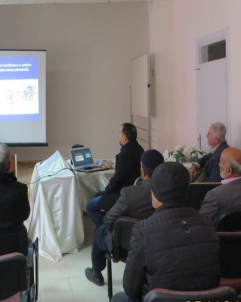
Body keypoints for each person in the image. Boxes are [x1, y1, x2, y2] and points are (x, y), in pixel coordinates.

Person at [113, 162, 220, 302]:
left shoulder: (142, 230)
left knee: (118, 298)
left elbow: (131, 289)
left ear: (154, 195)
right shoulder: (208, 223)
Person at [85, 149, 164, 286]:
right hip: (160, 242)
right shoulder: (171, 191)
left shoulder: (130, 193)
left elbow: (108, 220)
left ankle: (96, 273)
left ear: (143, 171)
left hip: (127, 246)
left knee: (98, 232)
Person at [86, 123, 144, 227]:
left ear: (124, 137)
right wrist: (112, 165)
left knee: (89, 206)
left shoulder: (125, 154)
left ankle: (105, 230)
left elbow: (117, 180)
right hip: (132, 191)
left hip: (123, 194)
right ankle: (110, 221)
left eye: (119, 133)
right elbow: (127, 168)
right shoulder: (139, 149)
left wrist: (106, 192)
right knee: (98, 194)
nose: (119, 135)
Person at [199, 147, 241, 227]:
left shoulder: (214, 195)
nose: (219, 164)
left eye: (220, 162)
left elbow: (201, 225)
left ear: (229, 170)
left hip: (222, 235)